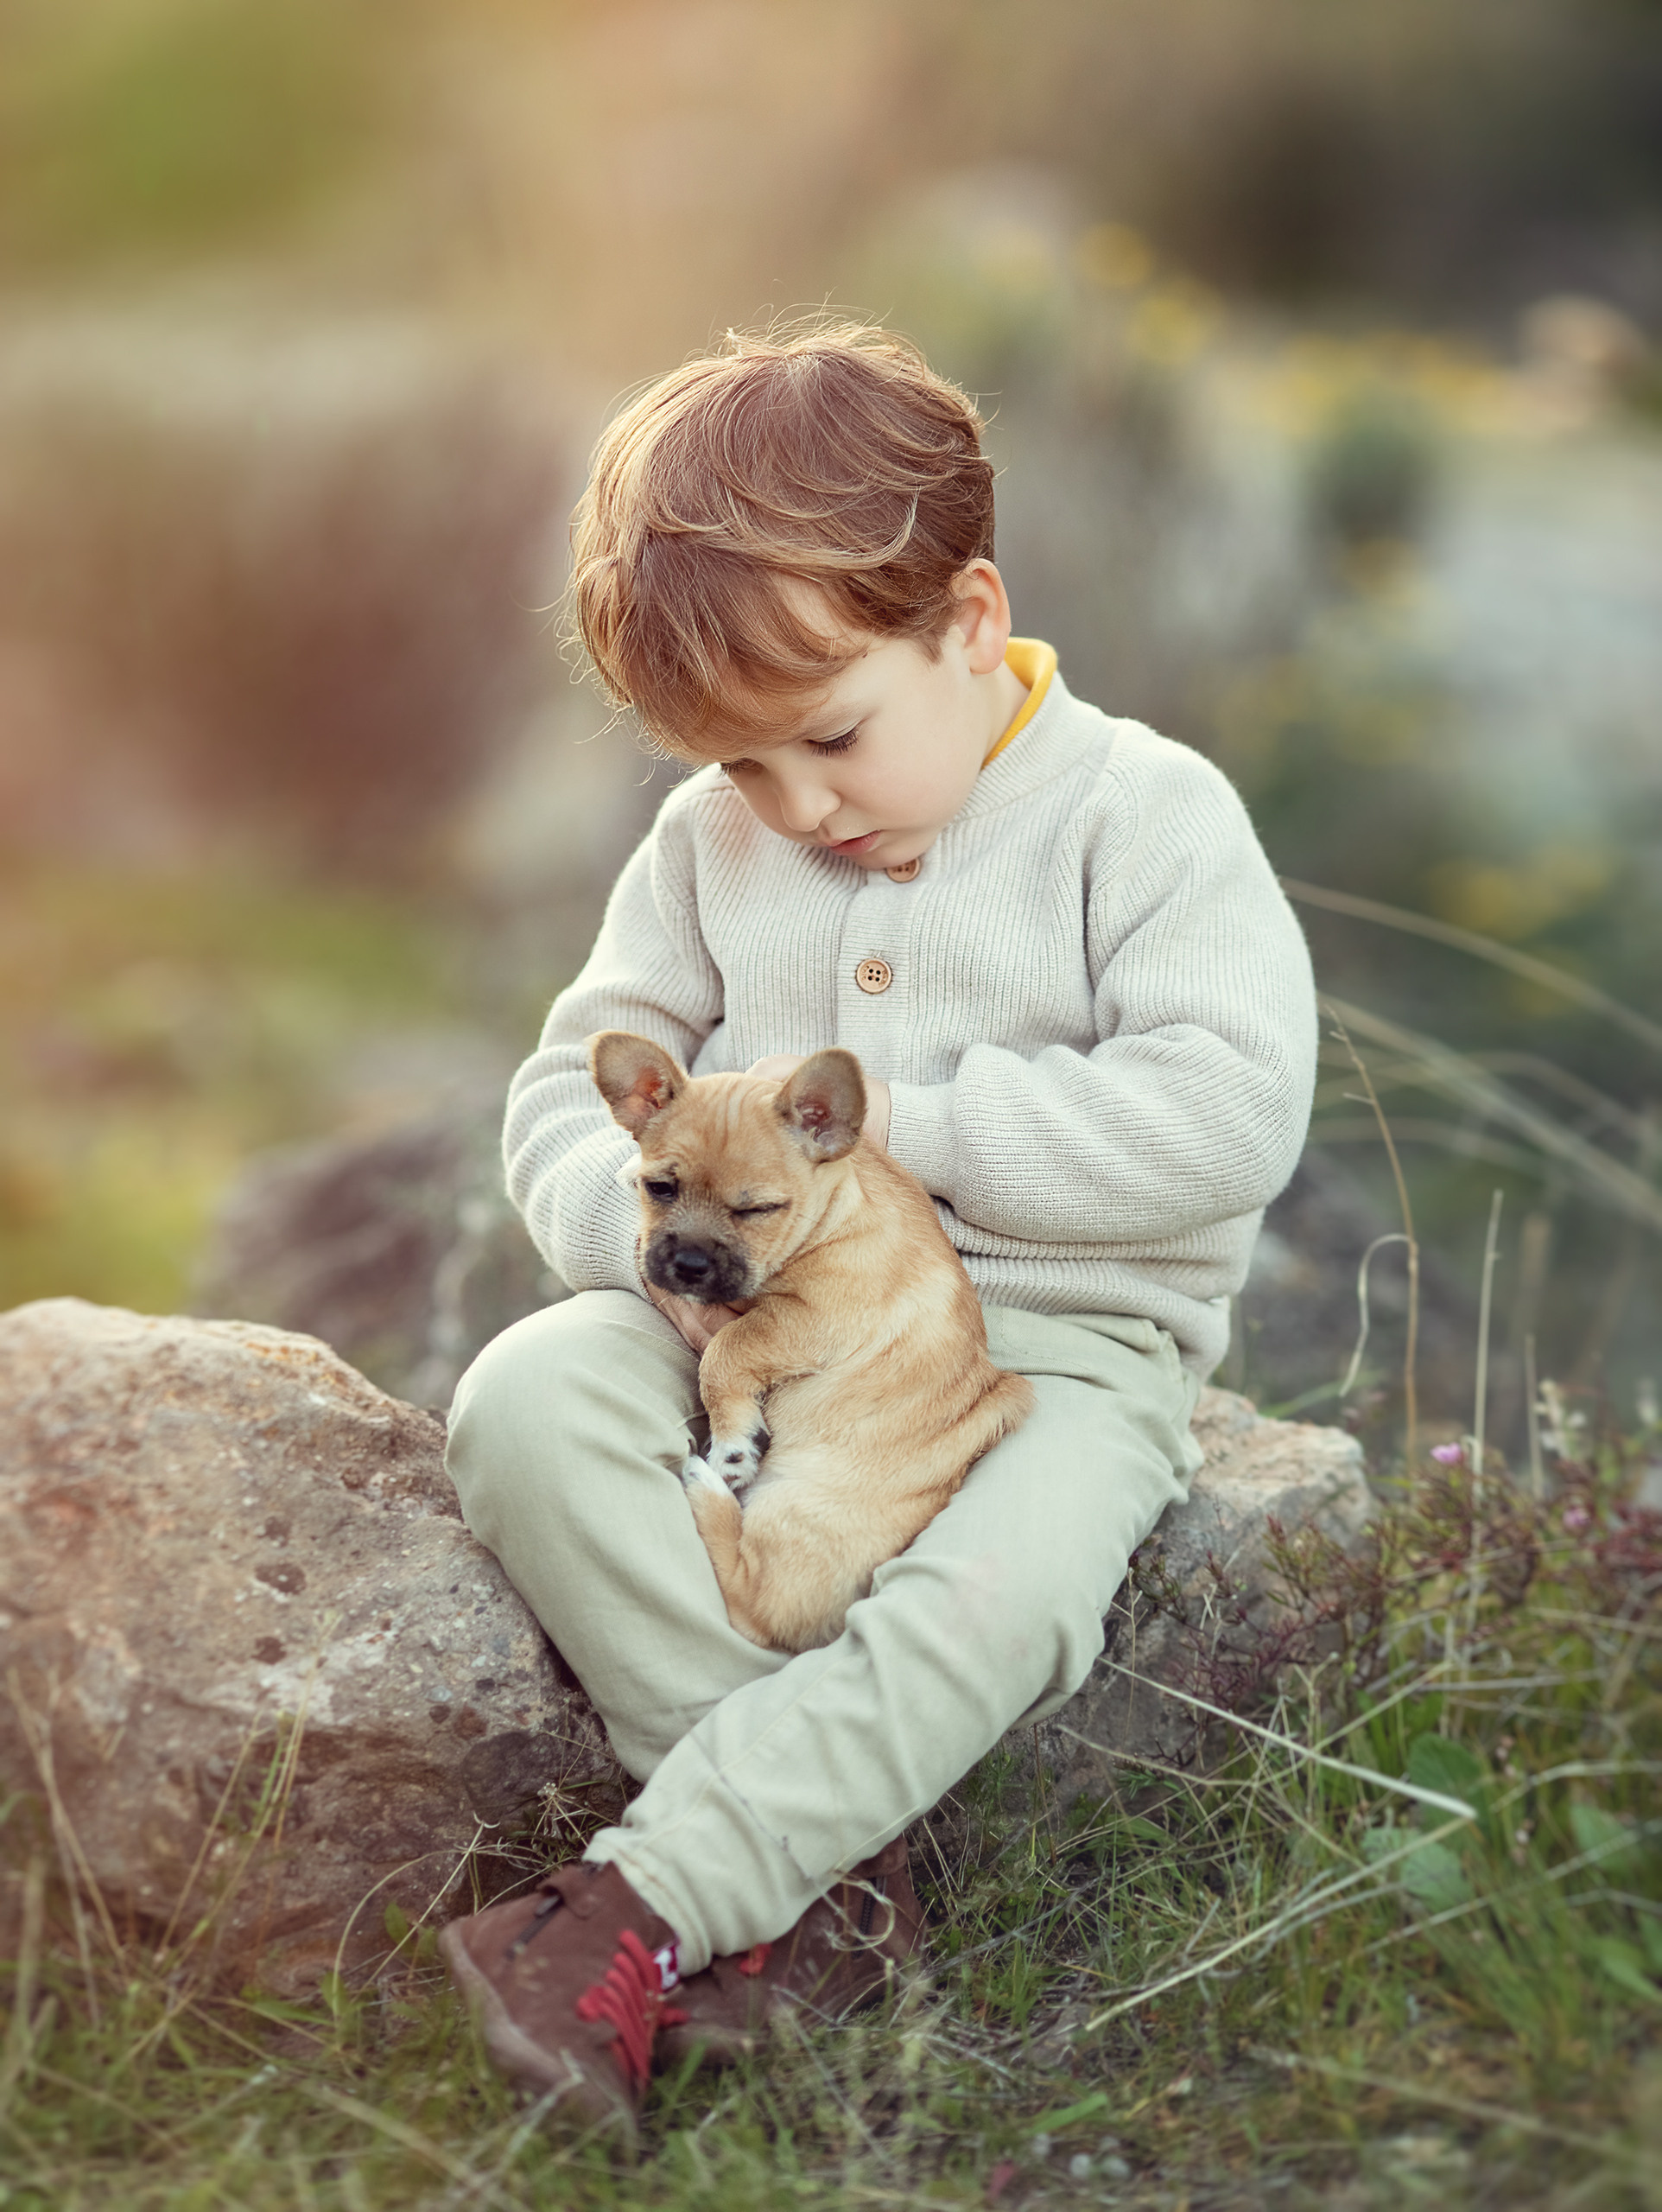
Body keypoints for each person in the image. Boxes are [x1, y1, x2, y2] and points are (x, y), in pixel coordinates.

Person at [439, 321, 1317, 2138]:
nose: (796, 808)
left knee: (989, 1596)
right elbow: (558, 1091)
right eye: (742, 768)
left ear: (969, 617)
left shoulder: (1140, 817)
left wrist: (911, 1127)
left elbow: (1231, 1110)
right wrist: (653, 1256)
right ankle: (828, 1890)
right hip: (746, 1317)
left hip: (1038, 1351)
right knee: (523, 1405)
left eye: (826, 739)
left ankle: (644, 1903)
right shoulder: (708, 843)